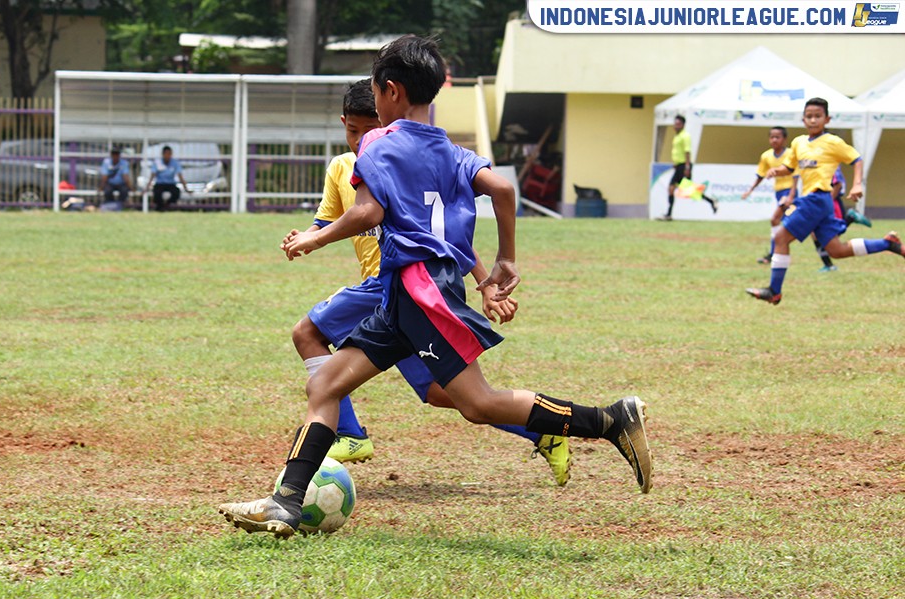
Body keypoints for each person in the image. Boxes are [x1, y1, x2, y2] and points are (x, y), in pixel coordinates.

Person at [218, 35, 652, 538]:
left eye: (375, 94)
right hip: (407, 293)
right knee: (325, 384)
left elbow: (368, 212)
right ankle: (286, 503)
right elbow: (503, 189)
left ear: (392, 91)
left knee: (478, 402)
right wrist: (505, 259)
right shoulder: (452, 151)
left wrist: (315, 238)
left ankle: (609, 420)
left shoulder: (379, 142)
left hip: (419, 290)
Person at [289, 79, 571, 484]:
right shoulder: (341, 169)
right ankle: (541, 430)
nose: (361, 139)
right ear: (343, 124)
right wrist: (308, 235)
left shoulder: (398, 162)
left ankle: (348, 434)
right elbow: (326, 221)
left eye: (370, 129)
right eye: (353, 130)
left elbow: (442, 238)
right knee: (442, 393)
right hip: (397, 300)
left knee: (307, 333)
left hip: (398, 287)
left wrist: (484, 282)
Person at [746, 97, 902, 305]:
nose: (813, 120)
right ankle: (887, 244)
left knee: (781, 238)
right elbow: (790, 168)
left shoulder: (832, 142)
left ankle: (774, 291)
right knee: (836, 251)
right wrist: (777, 170)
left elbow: (856, 159)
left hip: (816, 199)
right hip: (819, 202)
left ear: (827, 119)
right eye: (809, 116)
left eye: (818, 116)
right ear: (803, 119)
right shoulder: (798, 143)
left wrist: (857, 184)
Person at [742, 127, 836, 272]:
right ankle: (827, 262)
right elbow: (761, 175)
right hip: (779, 194)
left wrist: (791, 195)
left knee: (775, 220)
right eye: (772, 137)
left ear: (784, 139)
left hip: (789, 195)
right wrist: (750, 190)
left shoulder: (791, 153)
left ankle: (773, 254)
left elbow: (795, 176)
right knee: (811, 229)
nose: (774, 140)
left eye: (778, 137)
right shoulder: (766, 156)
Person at [661, 115, 718, 220]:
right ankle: (669, 214)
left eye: (678, 124)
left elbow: (687, 152)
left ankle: (711, 201)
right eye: (675, 124)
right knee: (672, 188)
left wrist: (687, 167)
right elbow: (678, 152)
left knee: (689, 190)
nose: (675, 126)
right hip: (679, 166)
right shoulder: (677, 136)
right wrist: (676, 163)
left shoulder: (685, 136)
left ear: (683, 125)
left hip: (684, 166)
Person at [145, 146, 186, 211]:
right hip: (160, 184)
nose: (168, 156)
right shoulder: (157, 163)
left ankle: (166, 206)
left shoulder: (175, 163)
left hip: (170, 184)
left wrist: (186, 189)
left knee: (176, 192)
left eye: (169, 154)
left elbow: (180, 176)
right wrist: (147, 187)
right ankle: (161, 207)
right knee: (156, 192)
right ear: (163, 154)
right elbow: (152, 176)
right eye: (166, 154)